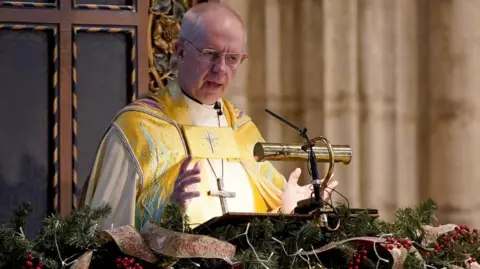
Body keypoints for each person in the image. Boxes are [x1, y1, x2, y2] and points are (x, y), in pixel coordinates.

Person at [80, 2, 338, 230]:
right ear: (180, 51)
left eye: (232, 58)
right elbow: (105, 232)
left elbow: (266, 226)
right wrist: (168, 208)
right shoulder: (137, 128)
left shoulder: (242, 130)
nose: (221, 69)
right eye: (211, 55)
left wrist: (297, 206)